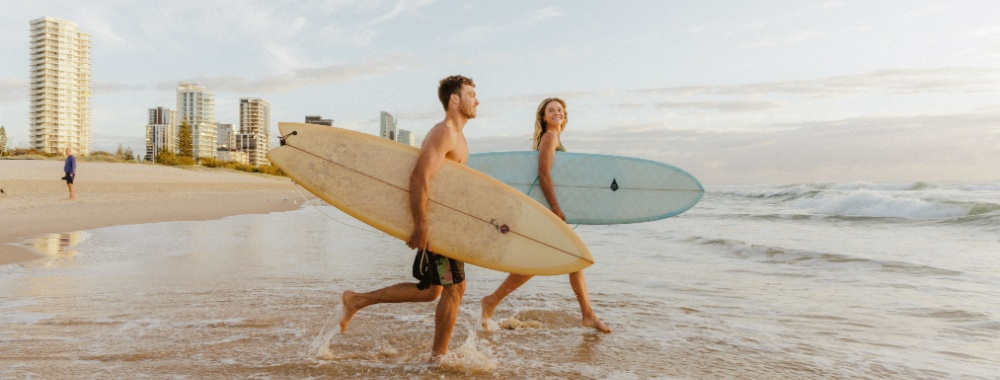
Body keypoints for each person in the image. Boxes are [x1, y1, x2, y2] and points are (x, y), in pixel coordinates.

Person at [339, 75, 479, 363]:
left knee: (431, 291)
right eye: (471, 95)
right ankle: (438, 358)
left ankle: (358, 300)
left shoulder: (459, 136)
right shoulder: (444, 133)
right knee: (455, 288)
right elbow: (419, 177)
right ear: (455, 99)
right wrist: (421, 225)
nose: (477, 101)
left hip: (446, 223)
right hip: (436, 225)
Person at [480, 97, 611, 333]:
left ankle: (587, 314)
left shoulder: (554, 138)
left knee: (572, 259)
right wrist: (556, 208)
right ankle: (492, 300)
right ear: (543, 116)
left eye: (560, 110)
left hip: (545, 209)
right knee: (563, 258)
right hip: (547, 210)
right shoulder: (550, 138)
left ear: (565, 115)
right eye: (551, 110)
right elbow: (543, 174)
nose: (556, 113)